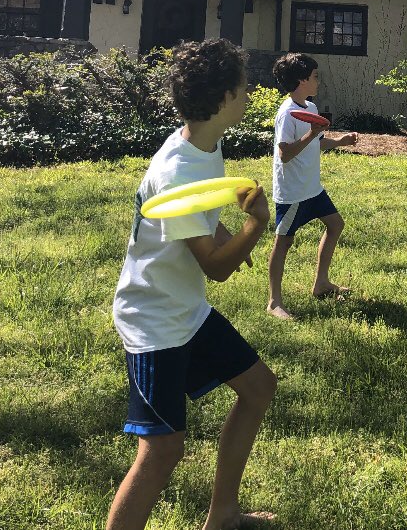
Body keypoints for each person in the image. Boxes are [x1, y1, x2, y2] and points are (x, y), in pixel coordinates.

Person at [108, 39, 276, 530]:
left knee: (259, 388)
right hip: (154, 317)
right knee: (162, 451)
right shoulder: (179, 168)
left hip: (184, 307)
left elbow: (196, 213)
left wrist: (219, 227)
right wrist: (252, 227)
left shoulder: (201, 140)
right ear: (224, 97)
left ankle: (222, 516)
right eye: (244, 89)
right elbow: (216, 269)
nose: (249, 96)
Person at [268, 53, 358, 319]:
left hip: (312, 188)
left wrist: (339, 142)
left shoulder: (310, 108)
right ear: (302, 79)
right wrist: (311, 134)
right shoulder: (287, 114)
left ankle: (321, 284)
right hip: (293, 193)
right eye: (316, 76)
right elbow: (285, 153)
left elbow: (315, 143)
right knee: (283, 242)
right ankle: (274, 302)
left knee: (336, 224)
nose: (319, 80)